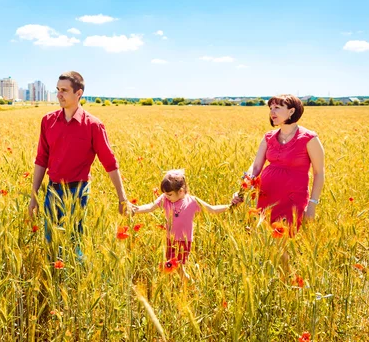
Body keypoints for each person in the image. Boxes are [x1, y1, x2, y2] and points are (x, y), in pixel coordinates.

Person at [28, 71, 129, 248]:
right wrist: (34, 196)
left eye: (64, 90)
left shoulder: (93, 125)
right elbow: (41, 160)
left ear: (78, 93)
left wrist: (122, 198)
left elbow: (110, 163)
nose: (59, 94)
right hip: (52, 190)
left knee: (75, 244)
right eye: (58, 89)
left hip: (78, 192)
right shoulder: (47, 121)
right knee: (50, 244)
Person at [232, 94, 325, 230]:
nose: (272, 112)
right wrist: (241, 191)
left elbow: (319, 173)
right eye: (270, 108)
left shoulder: (309, 138)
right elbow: (256, 166)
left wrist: (312, 204)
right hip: (266, 197)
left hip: (293, 200)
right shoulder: (269, 137)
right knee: (265, 240)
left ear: (291, 111)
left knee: (287, 239)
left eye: (277, 107)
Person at [131, 170, 231, 274]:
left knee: (179, 268)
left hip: (184, 241)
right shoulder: (165, 199)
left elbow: (212, 209)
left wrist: (229, 207)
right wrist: (135, 209)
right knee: (170, 267)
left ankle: (189, 284)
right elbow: (150, 207)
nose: (166, 196)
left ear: (181, 191)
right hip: (170, 239)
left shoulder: (193, 201)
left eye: (169, 194)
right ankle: (176, 286)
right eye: (165, 194)